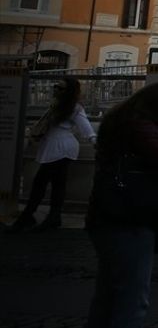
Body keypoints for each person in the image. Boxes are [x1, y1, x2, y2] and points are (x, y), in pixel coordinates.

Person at [84, 81, 158, 328]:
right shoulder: (140, 125)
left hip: (106, 215)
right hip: (129, 219)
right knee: (132, 301)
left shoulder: (119, 120)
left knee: (108, 295)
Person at [7, 78, 95, 232]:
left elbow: (87, 129)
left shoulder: (75, 108)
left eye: (60, 88)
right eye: (56, 87)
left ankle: (31, 215)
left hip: (61, 148)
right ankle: (51, 216)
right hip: (55, 146)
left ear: (68, 91)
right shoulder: (58, 105)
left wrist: (95, 141)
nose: (56, 90)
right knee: (55, 183)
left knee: (42, 182)